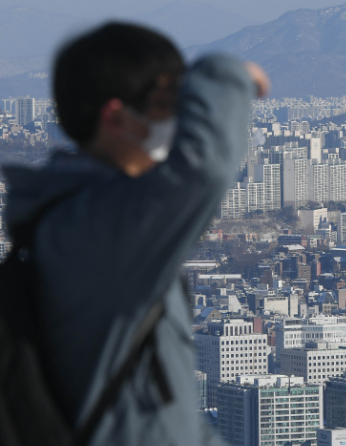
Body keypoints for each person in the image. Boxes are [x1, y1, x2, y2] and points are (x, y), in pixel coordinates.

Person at [2, 23, 269, 445]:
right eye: (170, 102)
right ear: (116, 118)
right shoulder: (97, 229)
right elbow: (205, 167)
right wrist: (222, 74)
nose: (182, 118)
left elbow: (161, 404)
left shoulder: (87, 220)